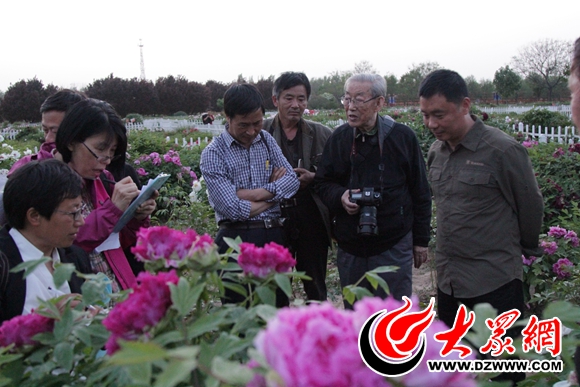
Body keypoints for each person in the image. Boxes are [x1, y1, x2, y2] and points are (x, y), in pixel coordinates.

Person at [420, 69, 544, 385]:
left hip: (495, 282)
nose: (431, 124)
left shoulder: (503, 151)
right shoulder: (436, 152)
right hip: (450, 283)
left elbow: (530, 207)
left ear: (464, 105)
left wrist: (523, 252)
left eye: (439, 115)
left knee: (501, 372)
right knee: (451, 367)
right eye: (425, 115)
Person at [314, 73, 431, 307]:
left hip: (393, 242)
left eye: (359, 99)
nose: (351, 107)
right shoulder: (340, 139)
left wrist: (421, 240)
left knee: (395, 315)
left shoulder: (401, 138)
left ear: (379, 102)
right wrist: (341, 196)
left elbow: (420, 191)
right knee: (357, 314)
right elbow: (322, 183)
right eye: (347, 99)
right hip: (351, 245)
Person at [200, 84, 299, 306]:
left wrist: (249, 194)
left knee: (277, 310)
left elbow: (292, 181)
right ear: (228, 117)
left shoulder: (266, 140)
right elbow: (231, 209)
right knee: (239, 313)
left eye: (257, 123)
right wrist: (275, 193)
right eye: (243, 125)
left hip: (274, 235)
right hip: (235, 240)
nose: (252, 131)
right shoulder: (214, 153)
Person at [55, 99, 157, 295]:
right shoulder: (52, 186)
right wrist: (113, 209)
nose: (106, 160)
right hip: (82, 297)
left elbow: (120, 240)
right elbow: (68, 243)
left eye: (112, 152)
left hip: (117, 287)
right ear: (71, 142)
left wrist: (136, 217)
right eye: (100, 149)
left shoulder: (103, 180)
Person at [262, 72, 332, 301]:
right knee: (275, 285)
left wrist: (314, 177)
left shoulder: (322, 134)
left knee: (315, 283)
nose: (295, 105)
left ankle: (319, 332)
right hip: (273, 216)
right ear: (275, 100)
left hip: (310, 214)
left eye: (301, 99)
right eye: (288, 98)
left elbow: (336, 175)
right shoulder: (260, 132)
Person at [0, 159, 92, 323]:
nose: (81, 221)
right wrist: (43, 324)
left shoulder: (75, 258)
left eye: (80, 211)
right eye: (73, 213)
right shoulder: (4, 264)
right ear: (34, 216)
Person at [8, 89, 86, 177]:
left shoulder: (96, 172)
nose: (48, 139)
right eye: (45, 130)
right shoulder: (25, 169)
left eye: (56, 132)